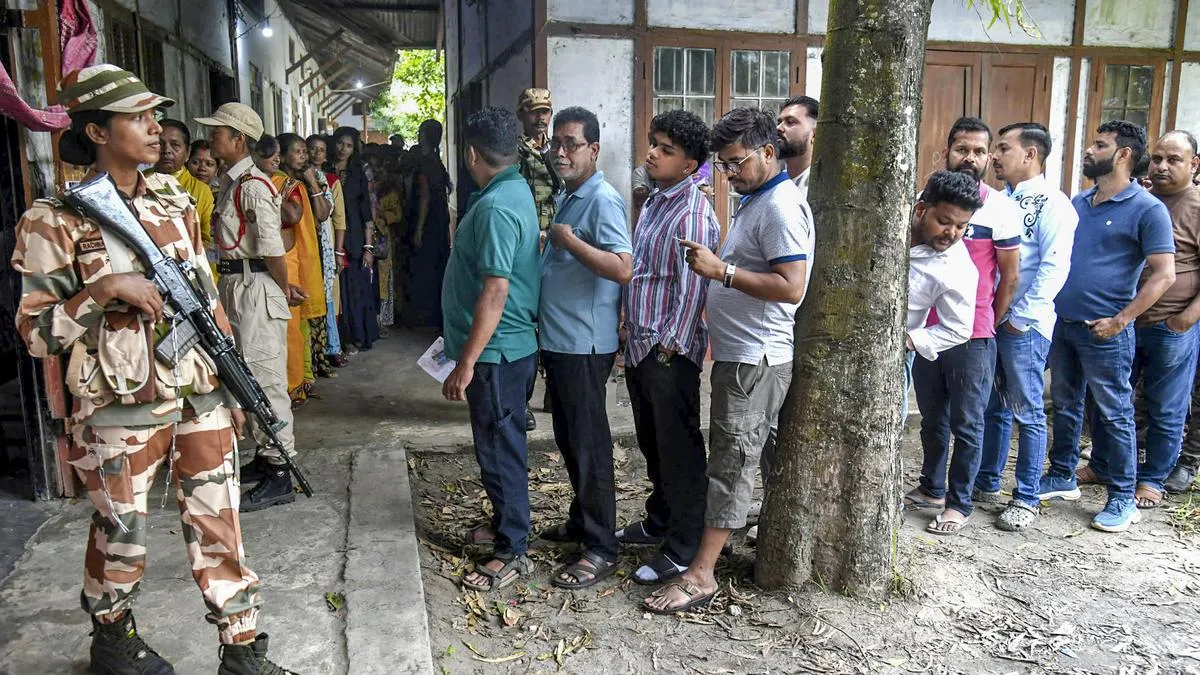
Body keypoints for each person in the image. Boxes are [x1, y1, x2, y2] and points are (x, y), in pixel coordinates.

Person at [11, 64, 295, 674]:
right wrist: (103, 289)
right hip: (119, 404)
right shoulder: (53, 219)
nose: (154, 128)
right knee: (122, 529)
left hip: (198, 390)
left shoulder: (173, 199)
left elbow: (206, 296)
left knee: (220, 519)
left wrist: (234, 381)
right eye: (136, 117)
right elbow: (35, 335)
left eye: (152, 115)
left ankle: (243, 650)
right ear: (96, 132)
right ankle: (113, 640)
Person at [643, 107, 811, 614]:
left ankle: (702, 574)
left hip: (755, 360)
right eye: (722, 165)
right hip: (741, 357)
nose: (729, 173)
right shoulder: (757, 198)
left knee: (731, 465)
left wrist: (723, 272)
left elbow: (792, 287)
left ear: (766, 152)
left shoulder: (779, 207)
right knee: (735, 459)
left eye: (736, 162)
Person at [1039, 120, 1176, 533]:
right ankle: (1062, 473)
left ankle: (1121, 496)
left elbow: (1164, 274)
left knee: (1115, 412)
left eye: (1099, 145)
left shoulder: (1148, 209)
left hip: (1106, 331)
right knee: (1064, 405)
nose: (1088, 150)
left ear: (1123, 156)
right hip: (1064, 324)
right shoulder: (1081, 202)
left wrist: (1122, 320)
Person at [902, 118, 1021, 536]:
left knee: (967, 422)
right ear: (947, 150)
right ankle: (932, 488)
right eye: (961, 149)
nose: (953, 234)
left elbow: (1009, 277)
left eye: (961, 228)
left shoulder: (995, 217)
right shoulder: (916, 206)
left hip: (971, 333)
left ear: (989, 156)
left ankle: (959, 502)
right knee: (932, 416)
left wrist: (990, 319)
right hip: (925, 333)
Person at [616, 110, 717, 589]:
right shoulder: (656, 200)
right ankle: (659, 519)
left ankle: (682, 546)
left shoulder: (694, 212)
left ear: (691, 164)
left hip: (667, 353)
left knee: (679, 450)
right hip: (641, 346)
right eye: (653, 143)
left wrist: (668, 350)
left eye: (666, 149)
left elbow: (692, 290)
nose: (652, 153)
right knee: (652, 444)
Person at [443, 106, 541, 592]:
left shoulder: (498, 206)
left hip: (497, 353)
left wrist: (465, 362)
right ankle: (507, 523)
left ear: (470, 154)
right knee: (497, 444)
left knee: (500, 448)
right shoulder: (510, 189)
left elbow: (495, 291)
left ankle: (513, 548)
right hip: (501, 350)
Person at [536, 107, 633, 590]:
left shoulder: (602, 199)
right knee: (570, 440)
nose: (561, 151)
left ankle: (601, 546)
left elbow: (621, 268)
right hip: (560, 339)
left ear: (593, 150)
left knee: (590, 446)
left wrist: (569, 242)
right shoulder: (568, 194)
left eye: (571, 143)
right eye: (557, 143)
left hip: (584, 342)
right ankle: (581, 522)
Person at [197, 102, 301, 512]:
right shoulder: (231, 183)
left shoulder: (254, 186)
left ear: (238, 140)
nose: (210, 139)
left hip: (255, 286)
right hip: (238, 283)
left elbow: (273, 250)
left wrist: (281, 288)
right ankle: (265, 454)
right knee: (246, 377)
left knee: (266, 379)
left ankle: (281, 468)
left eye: (218, 132)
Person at [976, 122, 1078, 531]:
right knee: (993, 406)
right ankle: (986, 482)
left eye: (1003, 148)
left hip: (1024, 325)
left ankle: (1027, 495)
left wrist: (1021, 317)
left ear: (1031, 154)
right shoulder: (1000, 200)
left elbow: (1055, 266)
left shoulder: (1054, 204)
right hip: (993, 317)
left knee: (1028, 409)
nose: (995, 156)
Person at [1132, 131, 1200, 500]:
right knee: (1115, 400)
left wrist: (1185, 319)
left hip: (1171, 324)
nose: (1162, 166)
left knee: (1166, 407)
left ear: (1194, 164)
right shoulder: (1141, 200)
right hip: (1127, 321)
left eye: (1173, 160)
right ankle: (1112, 467)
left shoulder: (1196, 205)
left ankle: (1153, 479)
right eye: (1157, 158)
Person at [905, 169, 982, 399]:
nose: (951, 233)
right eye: (943, 222)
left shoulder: (958, 268)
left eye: (961, 226)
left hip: (892, 355)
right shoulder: (890, 217)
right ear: (920, 210)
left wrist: (910, 340)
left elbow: (959, 329)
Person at [516, 87, 564, 431]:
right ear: (523, 115)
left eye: (545, 111)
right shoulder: (518, 151)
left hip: (557, 239)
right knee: (528, 320)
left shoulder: (557, 149)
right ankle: (522, 401)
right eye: (534, 112)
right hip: (530, 240)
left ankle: (553, 393)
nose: (541, 117)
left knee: (553, 315)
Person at [274, 134, 330, 407]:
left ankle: (302, 381)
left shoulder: (302, 183)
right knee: (291, 327)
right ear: (280, 156)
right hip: (287, 258)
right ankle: (294, 383)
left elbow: (321, 214)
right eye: (297, 152)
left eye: (304, 151)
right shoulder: (275, 184)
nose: (303, 156)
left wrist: (310, 180)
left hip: (303, 255)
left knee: (299, 326)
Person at [327, 126, 379, 353]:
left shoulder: (358, 174)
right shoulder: (324, 170)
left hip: (355, 237)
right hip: (329, 234)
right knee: (337, 290)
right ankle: (340, 337)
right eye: (340, 143)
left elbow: (367, 213)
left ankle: (359, 334)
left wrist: (369, 247)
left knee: (356, 288)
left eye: (348, 145)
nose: (343, 149)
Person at [400, 119, 452, 329]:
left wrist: (418, 229)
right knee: (436, 266)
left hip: (426, 222)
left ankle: (422, 314)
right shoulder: (437, 162)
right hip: (439, 222)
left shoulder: (424, 162)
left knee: (423, 267)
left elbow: (424, 197)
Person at [308, 134, 348, 368]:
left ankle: (331, 346)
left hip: (327, 246)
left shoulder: (331, 180)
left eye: (321, 150)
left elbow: (339, 220)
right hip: (307, 245)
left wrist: (338, 252)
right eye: (311, 149)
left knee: (330, 298)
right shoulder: (299, 179)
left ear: (326, 155)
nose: (315, 153)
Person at [775, 95, 818, 200]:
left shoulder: (821, 187)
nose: (778, 128)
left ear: (815, 134)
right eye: (779, 122)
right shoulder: (774, 184)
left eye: (790, 122)